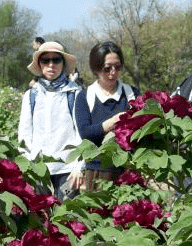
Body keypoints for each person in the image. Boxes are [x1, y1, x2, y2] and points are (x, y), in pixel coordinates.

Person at [17, 41, 83, 200]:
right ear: (39, 64)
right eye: (45, 60)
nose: (51, 64)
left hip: (68, 171)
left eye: (56, 60)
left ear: (63, 63)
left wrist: (79, 166)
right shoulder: (31, 95)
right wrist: (27, 164)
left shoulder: (75, 93)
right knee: (41, 216)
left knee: (67, 214)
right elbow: (25, 133)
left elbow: (82, 133)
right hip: (39, 170)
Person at [73, 41, 140, 189]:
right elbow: (85, 133)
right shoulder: (85, 97)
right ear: (96, 69)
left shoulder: (132, 94)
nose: (113, 72)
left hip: (129, 169)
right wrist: (112, 123)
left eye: (118, 67)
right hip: (98, 171)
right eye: (107, 68)